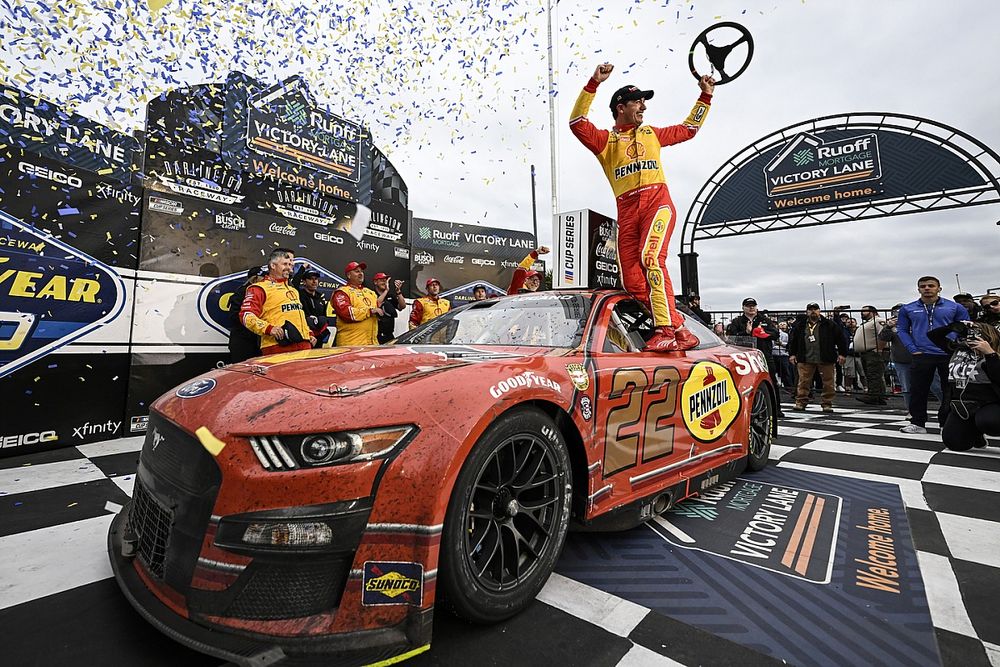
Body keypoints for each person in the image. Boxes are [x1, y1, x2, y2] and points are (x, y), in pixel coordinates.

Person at [570, 62, 715, 351]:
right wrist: (593, 84)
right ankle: (681, 330)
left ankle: (664, 330)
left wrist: (705, 97)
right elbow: (577, 123)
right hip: (626, 211)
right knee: (633, 283)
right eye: (638, 101)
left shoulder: (651, 133)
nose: (643, 107)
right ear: (621, 107)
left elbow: (689, 129)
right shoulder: (606, 142)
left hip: (657, 203)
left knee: (651, 258)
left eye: (644, 102)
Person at [896, 276, 970, 433]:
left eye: (931, 285)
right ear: (918, 289)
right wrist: (912, 348)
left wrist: (954, 345)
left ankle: (946, 423)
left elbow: (964, 327)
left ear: (939, 288)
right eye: (923, 286)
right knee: (918, 389)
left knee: (949, 389)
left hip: (948, 353)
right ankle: (918, 423)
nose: (927, 288)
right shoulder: (907, 308)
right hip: (922, 353)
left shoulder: (954, 307)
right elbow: (902, 329)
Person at [928, 321, 1000, 450]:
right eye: (969, 334)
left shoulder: (995, 354)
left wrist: (990, 354)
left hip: (991, 402)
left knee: (989, 422)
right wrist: (954, 326)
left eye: (977, 333)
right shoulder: (959, 350)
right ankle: (975, 434)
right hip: (964, 404)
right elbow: (933, 336)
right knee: (954, 443)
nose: (971, 337)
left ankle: (979, 426)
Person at [239, 248, 314, 354]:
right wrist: (269, 328)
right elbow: (246, 316)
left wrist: (309, 333)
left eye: (290, 265)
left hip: (304, 345)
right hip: (277, 346)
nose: (289, 269)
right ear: (273, 265)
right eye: (285, 264)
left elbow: (298, 316)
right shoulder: (259, 288)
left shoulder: (293, 290)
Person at [727, 298, 783, 417]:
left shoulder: (764, 319)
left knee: (772, 381)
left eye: (753, 305)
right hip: (744, 358)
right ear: (743, 308)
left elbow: (775, 334)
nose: (751, 308)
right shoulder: (737, 321)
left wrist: (763, 333)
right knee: (743, 383)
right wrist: (747, 332)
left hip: (764, 355)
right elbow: (731, 337)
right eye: (748, 306)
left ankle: (776, 409)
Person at [788, 303, 847, 413]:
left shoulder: (829, 324)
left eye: (815, 309)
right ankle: (800, 402)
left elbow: (841, 339)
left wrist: (842, 354)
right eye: (810, 310)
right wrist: (792, 354)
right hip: (805, 357)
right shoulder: (800, 325)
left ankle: (827, 403)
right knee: (803, 382)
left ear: (819, 311)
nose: (813, 311)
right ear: (807, 312)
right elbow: (793, 340)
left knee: (828, 382)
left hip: (826, 357)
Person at [331, 261, 381, 346]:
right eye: (357, 271)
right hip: (351, 344)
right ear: (349, 275)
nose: (361, 273)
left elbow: (378, 312)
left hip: (372, 344)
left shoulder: (371, 293)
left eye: (361, 271)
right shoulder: (342, 292)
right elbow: (346, 313)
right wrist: (369, 311)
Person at [228, 266, 263, 363]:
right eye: (263, 277)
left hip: (256, 342)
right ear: (255, 278)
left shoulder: (262, 292)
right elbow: (233, 316)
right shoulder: (241, 292)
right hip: (243, 342)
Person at [854, 306, 887, 405]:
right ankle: (878, 396)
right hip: (866, 352)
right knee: (871, 374)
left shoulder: (878, 321)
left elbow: (884, 334)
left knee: (874, 374)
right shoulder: (868, 323)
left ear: (872, 311)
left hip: (873, 351)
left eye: (864, 310)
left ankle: (874, 395)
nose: (862, 313)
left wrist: (879, 348)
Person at [291, 266, 330, 347]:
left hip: (319, 335)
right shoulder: (299, 294)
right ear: (304, 282)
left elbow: (324, 315)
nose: (314, 281)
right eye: (311, 279)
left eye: (316, 279)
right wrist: (303, 267)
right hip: (305, 334)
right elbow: (294, 283)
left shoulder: (320, 297)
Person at [373, 272, 406, 344]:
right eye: (382, 280)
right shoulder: (371, 294)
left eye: (386, 280)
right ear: (375, 282)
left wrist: (398, 291)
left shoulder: (390, 296)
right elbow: (377, 303)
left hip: (389, 335)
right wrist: (386, 290)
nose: (385, 282)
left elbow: (402, 306)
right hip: (376, 336)